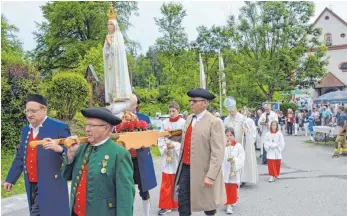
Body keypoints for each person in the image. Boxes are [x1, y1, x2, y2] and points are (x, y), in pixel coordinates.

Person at [4, 94, 70, 216]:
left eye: (33, 111)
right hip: (32, 183)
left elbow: (72, 152)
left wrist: (59, 149)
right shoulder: (26, 130)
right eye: (27, 111)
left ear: (44, 110)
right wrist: (11, 179)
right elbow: (21, 156)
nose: (29, 114)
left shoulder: (59, 127)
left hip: (52, 184)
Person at [61, 107, 135, 216]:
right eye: (87, 125)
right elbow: (65, 176)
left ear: (105, 128)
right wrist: (70, 155)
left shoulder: (119, 154)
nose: (87, 129)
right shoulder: (81, 148)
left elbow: (125, 197)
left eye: (92, 125)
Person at [174, 88, 226, 216]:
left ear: (205, 103)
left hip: (204, 170)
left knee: (208, 205)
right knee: (183, 202)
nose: (191, 103)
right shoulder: (190, 118)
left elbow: (218, 152)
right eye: (190, 100)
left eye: (195, 101)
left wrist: (211, 175)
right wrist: (165, 135)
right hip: (186, 168)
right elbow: (188, 138)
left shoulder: (214, 122)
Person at [131, 94, 157, 216]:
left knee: (144, 189)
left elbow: (151, 137)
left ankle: (146, 214)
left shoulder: (144, 118)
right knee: (126, 190)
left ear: (136, 104)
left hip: (141, 158)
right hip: (127, 159)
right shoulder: (120, 119)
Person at [157, 101, 185, 215]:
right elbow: (160, 137)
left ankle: (177, 203)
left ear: (178, 110)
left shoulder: (183, 123)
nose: (171, 113)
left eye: (174, 111)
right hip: (167, 154)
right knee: (166, 181)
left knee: (178, 180)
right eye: (170, 111)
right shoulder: (164, 123)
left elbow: (185, 140)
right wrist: (165, 148)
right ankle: (165, 205)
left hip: (177, 155)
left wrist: (175, 145)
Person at [103, 3, 132, 103]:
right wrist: (107, 46)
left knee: (117, 82)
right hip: (110, 63)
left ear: (115, 25)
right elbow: (105, 52)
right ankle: (111, 99)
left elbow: (118, 50)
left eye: (111, 24)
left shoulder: (119, 36)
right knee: (111, 82)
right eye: (108, 24)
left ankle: (119, 96)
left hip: (117, 65)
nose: (109, 26)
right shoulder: (108, 36)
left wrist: (110, 42)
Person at [223, 128, 245, 214]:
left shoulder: (238, 146)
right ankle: (227, 202)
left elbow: (242, 158)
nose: (229, 137)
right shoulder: (223, 146)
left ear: (234, 136)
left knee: (232, 186)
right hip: (225, 169)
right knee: (226, 186)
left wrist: (234, 161)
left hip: (233, 170)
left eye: (230, 135)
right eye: (227, 135)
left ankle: (230, 203)